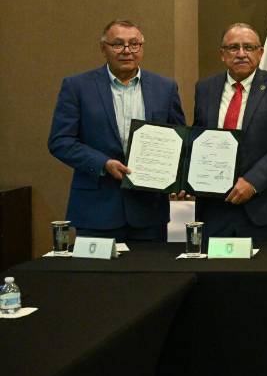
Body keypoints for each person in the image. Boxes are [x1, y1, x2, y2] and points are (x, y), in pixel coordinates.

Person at [48, 19, 185, 241]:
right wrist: (103, 163)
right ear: (103, 48)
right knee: (95, 266)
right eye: (118, 44)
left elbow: (178, 140)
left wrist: (180, 179)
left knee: (150, 265)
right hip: (96, 210)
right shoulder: (77, 87)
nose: (127, 51)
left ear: (142, 47)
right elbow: (60, 141)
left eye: (134, 44)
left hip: (149, 212)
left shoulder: (165, 88)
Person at [192, 23, 267, 242]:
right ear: (222, 54)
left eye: (248, 47)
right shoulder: (205, 88)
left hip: (261, 202)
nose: (241, 54)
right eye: (233, 47)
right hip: (214, 205)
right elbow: (197, 137)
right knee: (214, 264)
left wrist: (253, 182)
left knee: (260, 264)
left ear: (260, 53)